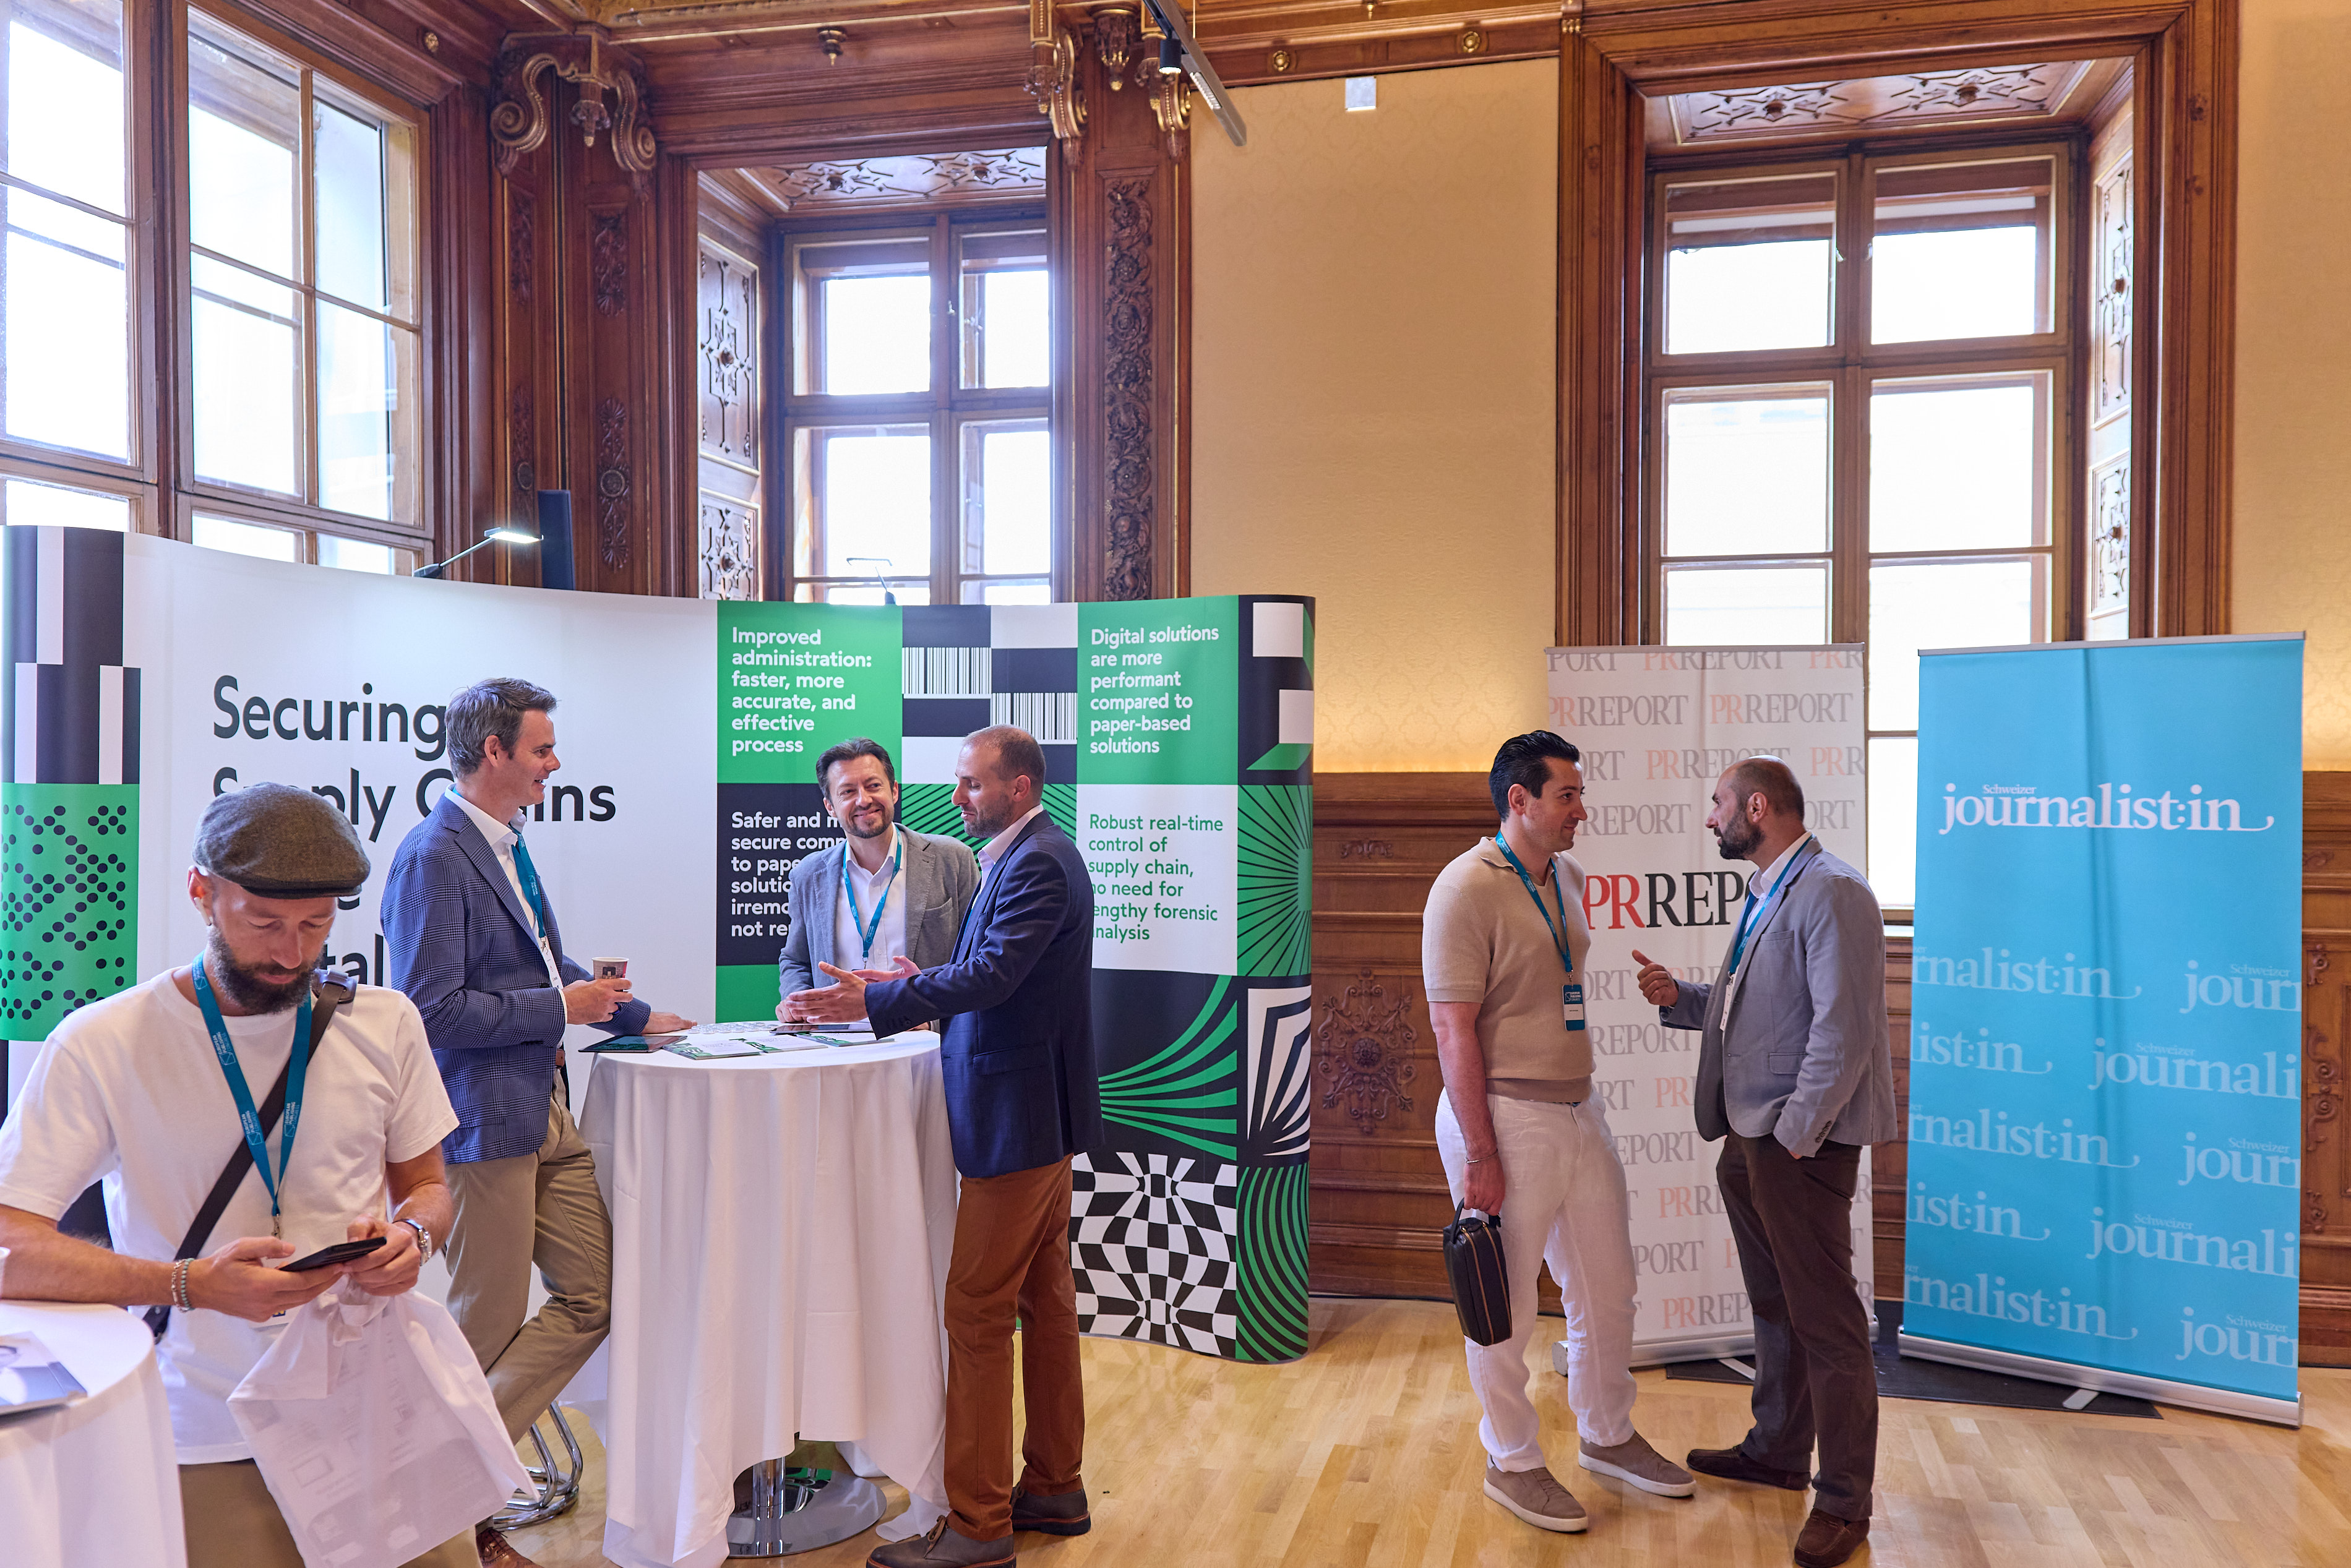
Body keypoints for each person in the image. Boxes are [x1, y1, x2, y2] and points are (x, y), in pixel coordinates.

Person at [0, 784, 471, 1568]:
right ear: (201, 892)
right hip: (210, 1429)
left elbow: (427, 1190)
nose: (291, 954)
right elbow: (12, 1250)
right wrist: (189, 1284)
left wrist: (412, 1238)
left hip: (380, 1413)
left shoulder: (386, 1022)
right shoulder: (104, 1043)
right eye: (264, 923)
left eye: (315, 925)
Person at [380, 677, 694, 1568]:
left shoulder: (507, 842)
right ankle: (440, 1524)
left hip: (544, 1109)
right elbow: (430, 1011)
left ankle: (443, 1485)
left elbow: (549, 964)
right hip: (482, 1120)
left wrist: (637, 1018)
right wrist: (561, 1006)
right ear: (495, 752)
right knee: (482, 1326)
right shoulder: (433, 857)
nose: (555, 764)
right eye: (543, 749)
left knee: (594, 1297)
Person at [788, 726, 1098, 1568]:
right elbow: (992, 970)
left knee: (975, 1310)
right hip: (1033, 1116)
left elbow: (993, 977)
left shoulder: (1036, 862)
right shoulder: (1021, 854)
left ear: (1019, 786)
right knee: (1044, 1300)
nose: (955, 796)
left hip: (1017, 1120)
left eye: (971, 783)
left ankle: (978, 1523)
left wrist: (876, 1003)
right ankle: (1055, 1486)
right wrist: (907, 984)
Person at [1422, 731, 1695, 1535]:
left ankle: (1608, 1435)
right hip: (1504, 1116)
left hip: (1580, 1108)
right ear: (1520, 800)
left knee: (1608, 1289)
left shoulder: (1566, 876)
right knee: (1501, 1306)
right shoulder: (1463, 887)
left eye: (1580, 794)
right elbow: (1450, 1028)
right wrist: (1480, 1152)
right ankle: (1510, 1458)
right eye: (1566, 795)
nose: (1581, 810)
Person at [1634, 756, 1896, 1568]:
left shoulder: (1832, 890)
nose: (1709, 818)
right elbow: (1758, 1007)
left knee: (1828, 1322)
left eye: (1718, 803)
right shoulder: (1768, 890)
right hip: (1751, 1142)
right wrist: (1680, 997)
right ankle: (1778, 1451)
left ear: (1756, 806)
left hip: (1796, 1146)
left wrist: (1794, 1135)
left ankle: (1844, 1502)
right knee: (1777, 1303)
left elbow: (1842, 1030)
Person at [776, 737, 979, 1019]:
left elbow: (975, 959)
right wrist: (798, 1002)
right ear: (830, 806)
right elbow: (796, 960)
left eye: (873, 786)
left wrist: (932, 1023)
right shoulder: (808, 876)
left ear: (894, 791)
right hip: (838, 1038)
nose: (863, 800)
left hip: (927, 1036)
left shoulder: (953, 859)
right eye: (847, 791)